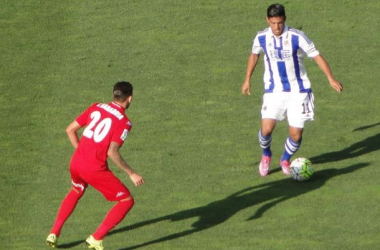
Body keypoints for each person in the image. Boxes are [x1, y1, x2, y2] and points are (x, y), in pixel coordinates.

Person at [241, 4, 342, 177]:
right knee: (266, 129)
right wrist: (247, 79)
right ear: (268, 20)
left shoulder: (297, 37)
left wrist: (330, 78)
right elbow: (254, 54)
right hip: (274, 91)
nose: (277, 27)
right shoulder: (262, 38)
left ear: (284, 19)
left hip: (299, 91)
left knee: (295, 134)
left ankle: (285, 159)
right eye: (273, 23)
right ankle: (266, 155)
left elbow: (316, 56)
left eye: (279, 22)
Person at [46, 81, 144, 250]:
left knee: (76, 190)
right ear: (130, 99)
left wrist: (82, 150)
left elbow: (70, 129)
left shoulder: (96, 107)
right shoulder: (124, 122)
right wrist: (131, 173)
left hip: (76, 162)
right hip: (94, 169)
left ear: (114, 95)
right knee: (126, 200)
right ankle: (96, 238)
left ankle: (53, 232)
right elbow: (112, 152)